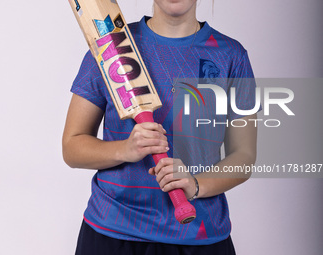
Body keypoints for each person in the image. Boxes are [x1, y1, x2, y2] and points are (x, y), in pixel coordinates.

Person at [63, 0, 258, 254]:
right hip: (111, 235)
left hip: (199, 237)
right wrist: (126, 149)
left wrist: (196, 184)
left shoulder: (231, 56)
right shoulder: (110, 46)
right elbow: (72, 146)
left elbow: (243, 156)